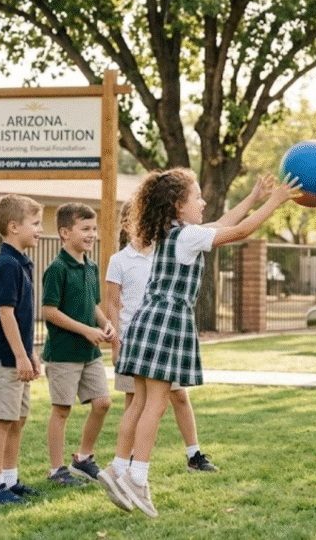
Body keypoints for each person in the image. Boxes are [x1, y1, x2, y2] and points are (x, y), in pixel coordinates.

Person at [97, 168, 300, 517]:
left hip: (149, 319)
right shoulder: (187, 236)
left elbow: (223, 221)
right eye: (196, 197)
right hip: (166, 322)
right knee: (156, 404)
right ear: (179, 205)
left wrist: (254, 198)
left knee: (141, 402)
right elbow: (237, 231)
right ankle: (137, 477)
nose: (203, 202)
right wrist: (275, 203)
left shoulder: (172, 233)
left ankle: (118, 468)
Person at [104, 201, 219, 473]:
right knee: (138, 403)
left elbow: (220, 227)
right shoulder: (119, 261)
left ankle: (191, 454)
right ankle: (127, 464)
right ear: (127, 225)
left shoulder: (165, 248)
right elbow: (112, 305)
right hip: (136, 341)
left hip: (163, 338)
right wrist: (116, 344)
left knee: (172, 398)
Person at [41, 203, 117, 487]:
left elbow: (92, 304)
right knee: (62, 410)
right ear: (64, 233)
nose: (91, 234)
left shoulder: (91, 265)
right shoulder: (57, 269)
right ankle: (56, 469)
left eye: (93, 229)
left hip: (90, 352)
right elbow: (49, 311)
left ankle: (83, 459)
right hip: (63, 354)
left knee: (103, 403)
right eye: (85, 229)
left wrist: (104, 324)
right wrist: (86, 330)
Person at [0, 194, 44, 505]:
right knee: (2, 420)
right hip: (4, 359)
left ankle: (9, 480)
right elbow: (5, 313)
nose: (40, 229)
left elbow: (20, 316)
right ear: (14, 226)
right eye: (35, 223)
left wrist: (30, 353)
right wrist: (19, 356)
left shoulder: (20, 262)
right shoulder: (6, 265)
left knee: (17, 419)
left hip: (18, 357)